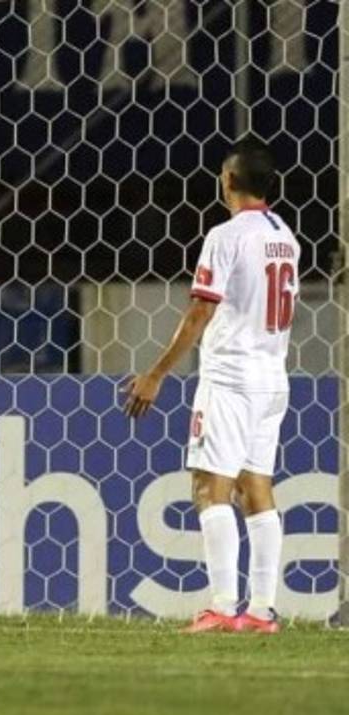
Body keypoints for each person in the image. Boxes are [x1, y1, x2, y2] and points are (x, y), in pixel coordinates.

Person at [124, 137, 296, 634]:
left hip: (230, 377)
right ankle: (262, 611)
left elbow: (202, 308)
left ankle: (223, 605)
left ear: (228, 182)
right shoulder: (286, 235)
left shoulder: (226, 236)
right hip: (271, 376)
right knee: (256, 486)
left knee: (209, 486)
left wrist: (155, 373)